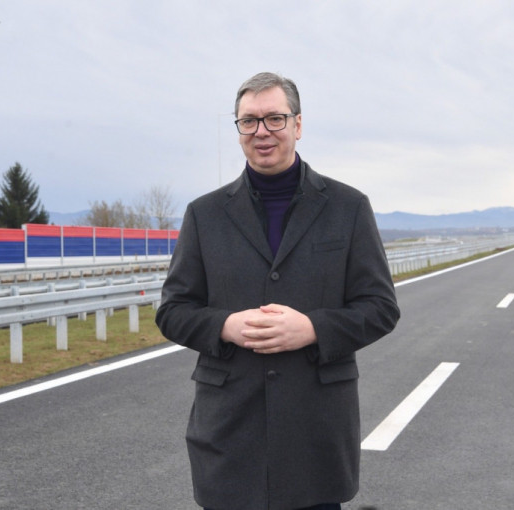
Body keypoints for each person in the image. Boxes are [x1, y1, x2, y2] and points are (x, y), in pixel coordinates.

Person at [155, 72, 400, 510]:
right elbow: (173, 310)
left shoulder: (348, 208)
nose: (261, 131)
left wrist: (313, 329)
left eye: (274, 118)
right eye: (248, 121)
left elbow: (381, 307)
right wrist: (225, 326)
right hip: (229, 431)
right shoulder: (204, 215)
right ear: (238, 129)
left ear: (298, 124)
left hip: (316, 430)